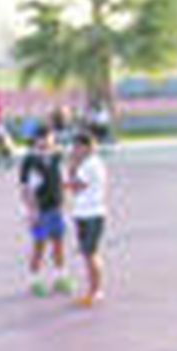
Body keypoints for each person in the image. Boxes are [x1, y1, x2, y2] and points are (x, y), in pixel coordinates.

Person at [19, 124, 72, 297]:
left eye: (49, 137)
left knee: (58, 244)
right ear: (36, 140)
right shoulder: (29, 160)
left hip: (56, 207)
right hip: (40, 210)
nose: (46, 141)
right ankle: (34, 280)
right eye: (42, 138)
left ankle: (60, 277)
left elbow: (62, 181)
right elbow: (25, 188)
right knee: (39, 246)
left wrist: (65, 203)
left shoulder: (58, 156)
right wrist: (32, 211)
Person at [64, 130, 108, 306]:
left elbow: (76, 186)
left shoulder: (91, 165)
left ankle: (95, 291)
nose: (73, 150)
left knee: (91, 254)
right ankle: (94, 289)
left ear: (86, 147)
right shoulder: (87, 163)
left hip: (92, 214)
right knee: (88, 254)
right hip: (83, 213)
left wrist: (60, 181)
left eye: (76, 147)